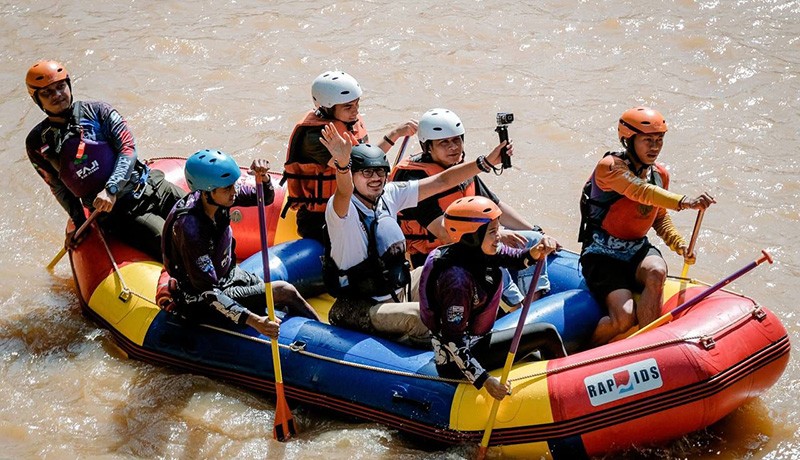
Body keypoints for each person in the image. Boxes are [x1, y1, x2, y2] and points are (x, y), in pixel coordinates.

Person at [320, 123, 511, 345]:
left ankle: (482, 325)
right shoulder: (341, 211)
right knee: (419, 317)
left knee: (448, 268)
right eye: (366, 172)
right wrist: (343, 165)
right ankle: (451, 350)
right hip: (361, 306)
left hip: (397, 290)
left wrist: (485, 163)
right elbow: (343, 191)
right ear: (352, 176)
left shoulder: (389, 194)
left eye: (380, 172)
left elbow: (442, 181)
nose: (375, 178)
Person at [389, 108, 553, 308]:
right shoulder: (413, 179)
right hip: (435, 256)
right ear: (427, 147)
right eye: (444, 143)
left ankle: (533, 306)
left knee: (532, 240)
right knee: (489, 259)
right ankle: (515, 311)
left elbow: (497, 206)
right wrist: (499, 234)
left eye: (457, 140)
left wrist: (534, 231)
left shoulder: (462, 170)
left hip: (477, 242)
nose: (453, 147)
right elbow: (445, 233)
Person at [578, 106, 716, 345]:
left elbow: (658, 216)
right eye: (648, 140)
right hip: (601, 255)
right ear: (628, 140)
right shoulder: (609, 168)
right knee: (624, 318)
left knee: (657, 270)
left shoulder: (660, 175)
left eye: (659, 140)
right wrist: (686, 202)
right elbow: (642, 192)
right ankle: (586, 350)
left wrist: (679, 244)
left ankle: (649, 344)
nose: (655, 147)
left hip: (637, 250)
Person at [24, 60, 185, 260]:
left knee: (202, 219)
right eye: (47, 93)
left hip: (152, 186)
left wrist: (111, 188)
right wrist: (78, 222)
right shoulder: (38, 143)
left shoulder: (98, 111)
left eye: (60, 87)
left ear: (69, 85)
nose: (57, 95)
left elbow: (127, 149)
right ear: (36, 99)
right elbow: (57, 186)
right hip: (120, 213)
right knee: (174, 246)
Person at [419, 197, 567, 400]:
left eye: (498, 229)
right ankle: (568, 391)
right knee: (546, 334)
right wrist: (485, 381)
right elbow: (452, 340)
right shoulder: (456, 281)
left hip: (479, 340)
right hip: (456, 362)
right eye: (493, 232)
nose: (499, 236)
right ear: (471, 237)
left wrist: (535, 251)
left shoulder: (474, 252)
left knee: (532, 358)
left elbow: (513, 258)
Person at [161, 150, 320, 339]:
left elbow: (264, 198)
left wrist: (264, 178)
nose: (234, 192)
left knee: (268, 293)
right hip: (200, 298)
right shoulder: (190, 229)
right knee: (285, 291)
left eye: (233, 186)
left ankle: (310, 330)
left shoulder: (220, 198)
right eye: (227, 188)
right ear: (206, 192)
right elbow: (208, 292)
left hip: (230, 275)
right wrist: (254, 321)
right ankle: (324, 338)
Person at [281, 70, 417, 242]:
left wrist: (396, 133)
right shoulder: (316, 137)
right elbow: (357, 167)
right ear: (328, 107)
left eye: (356, 104)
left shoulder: (349, 122)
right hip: (321, 218)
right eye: (348, 107)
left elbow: (368, 159)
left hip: (353, 206)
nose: (355, 111)